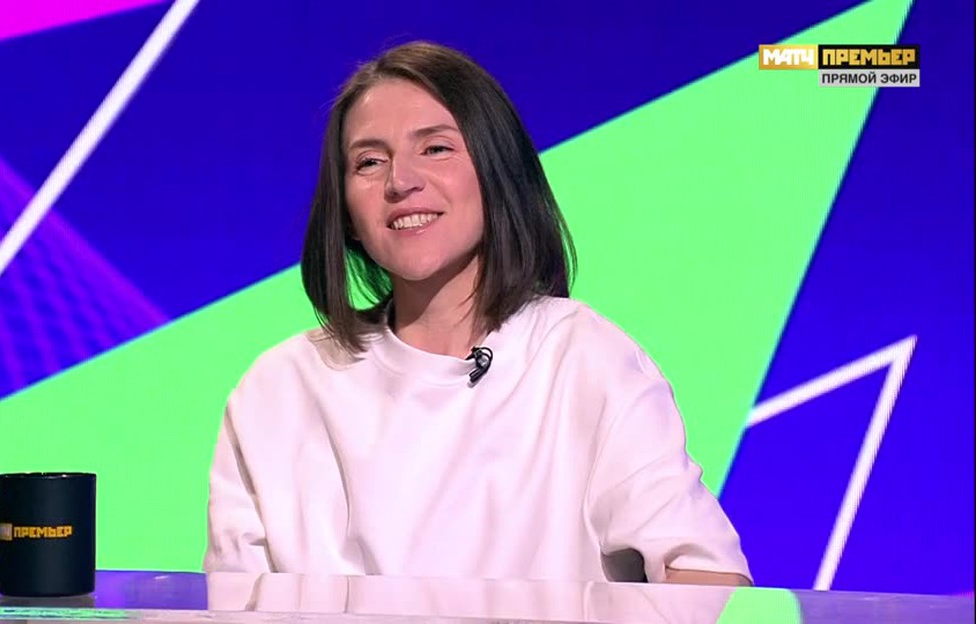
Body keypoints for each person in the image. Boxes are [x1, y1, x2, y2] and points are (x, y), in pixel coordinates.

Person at [205, 41, 752, 587]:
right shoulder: (279, 389)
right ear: (345, 210)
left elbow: (707, 578)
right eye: (369, 161)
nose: (400, 181)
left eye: (436, 148)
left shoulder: (584, 360)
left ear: (497, 173)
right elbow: (231, 605)